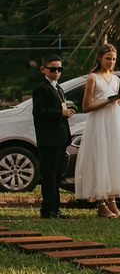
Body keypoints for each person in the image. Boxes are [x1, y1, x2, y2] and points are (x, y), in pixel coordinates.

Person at [75, 44, 120, 218]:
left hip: (115, 121)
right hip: (98, 122)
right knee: (100, 158)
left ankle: (112, 201)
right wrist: (108, 101)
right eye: (108, 59)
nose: (111, 62)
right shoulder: (93, 78)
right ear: (99, 58)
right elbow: (86, 106)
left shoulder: (115, 79)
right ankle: (100, 203)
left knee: (113, 158)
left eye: (113, 59)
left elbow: (115, 103)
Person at [32, 54, 75, 219]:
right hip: (48, 139)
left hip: (59, 137)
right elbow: (39, 113)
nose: (57, 72)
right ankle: (48, 209)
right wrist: (60, 113)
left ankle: (55, 208)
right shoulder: (41, 88)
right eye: (53, 69)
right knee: (49, 175)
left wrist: (65, 113)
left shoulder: (58, 88)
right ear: (43, 69)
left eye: (60, 69)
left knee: (56, 175)